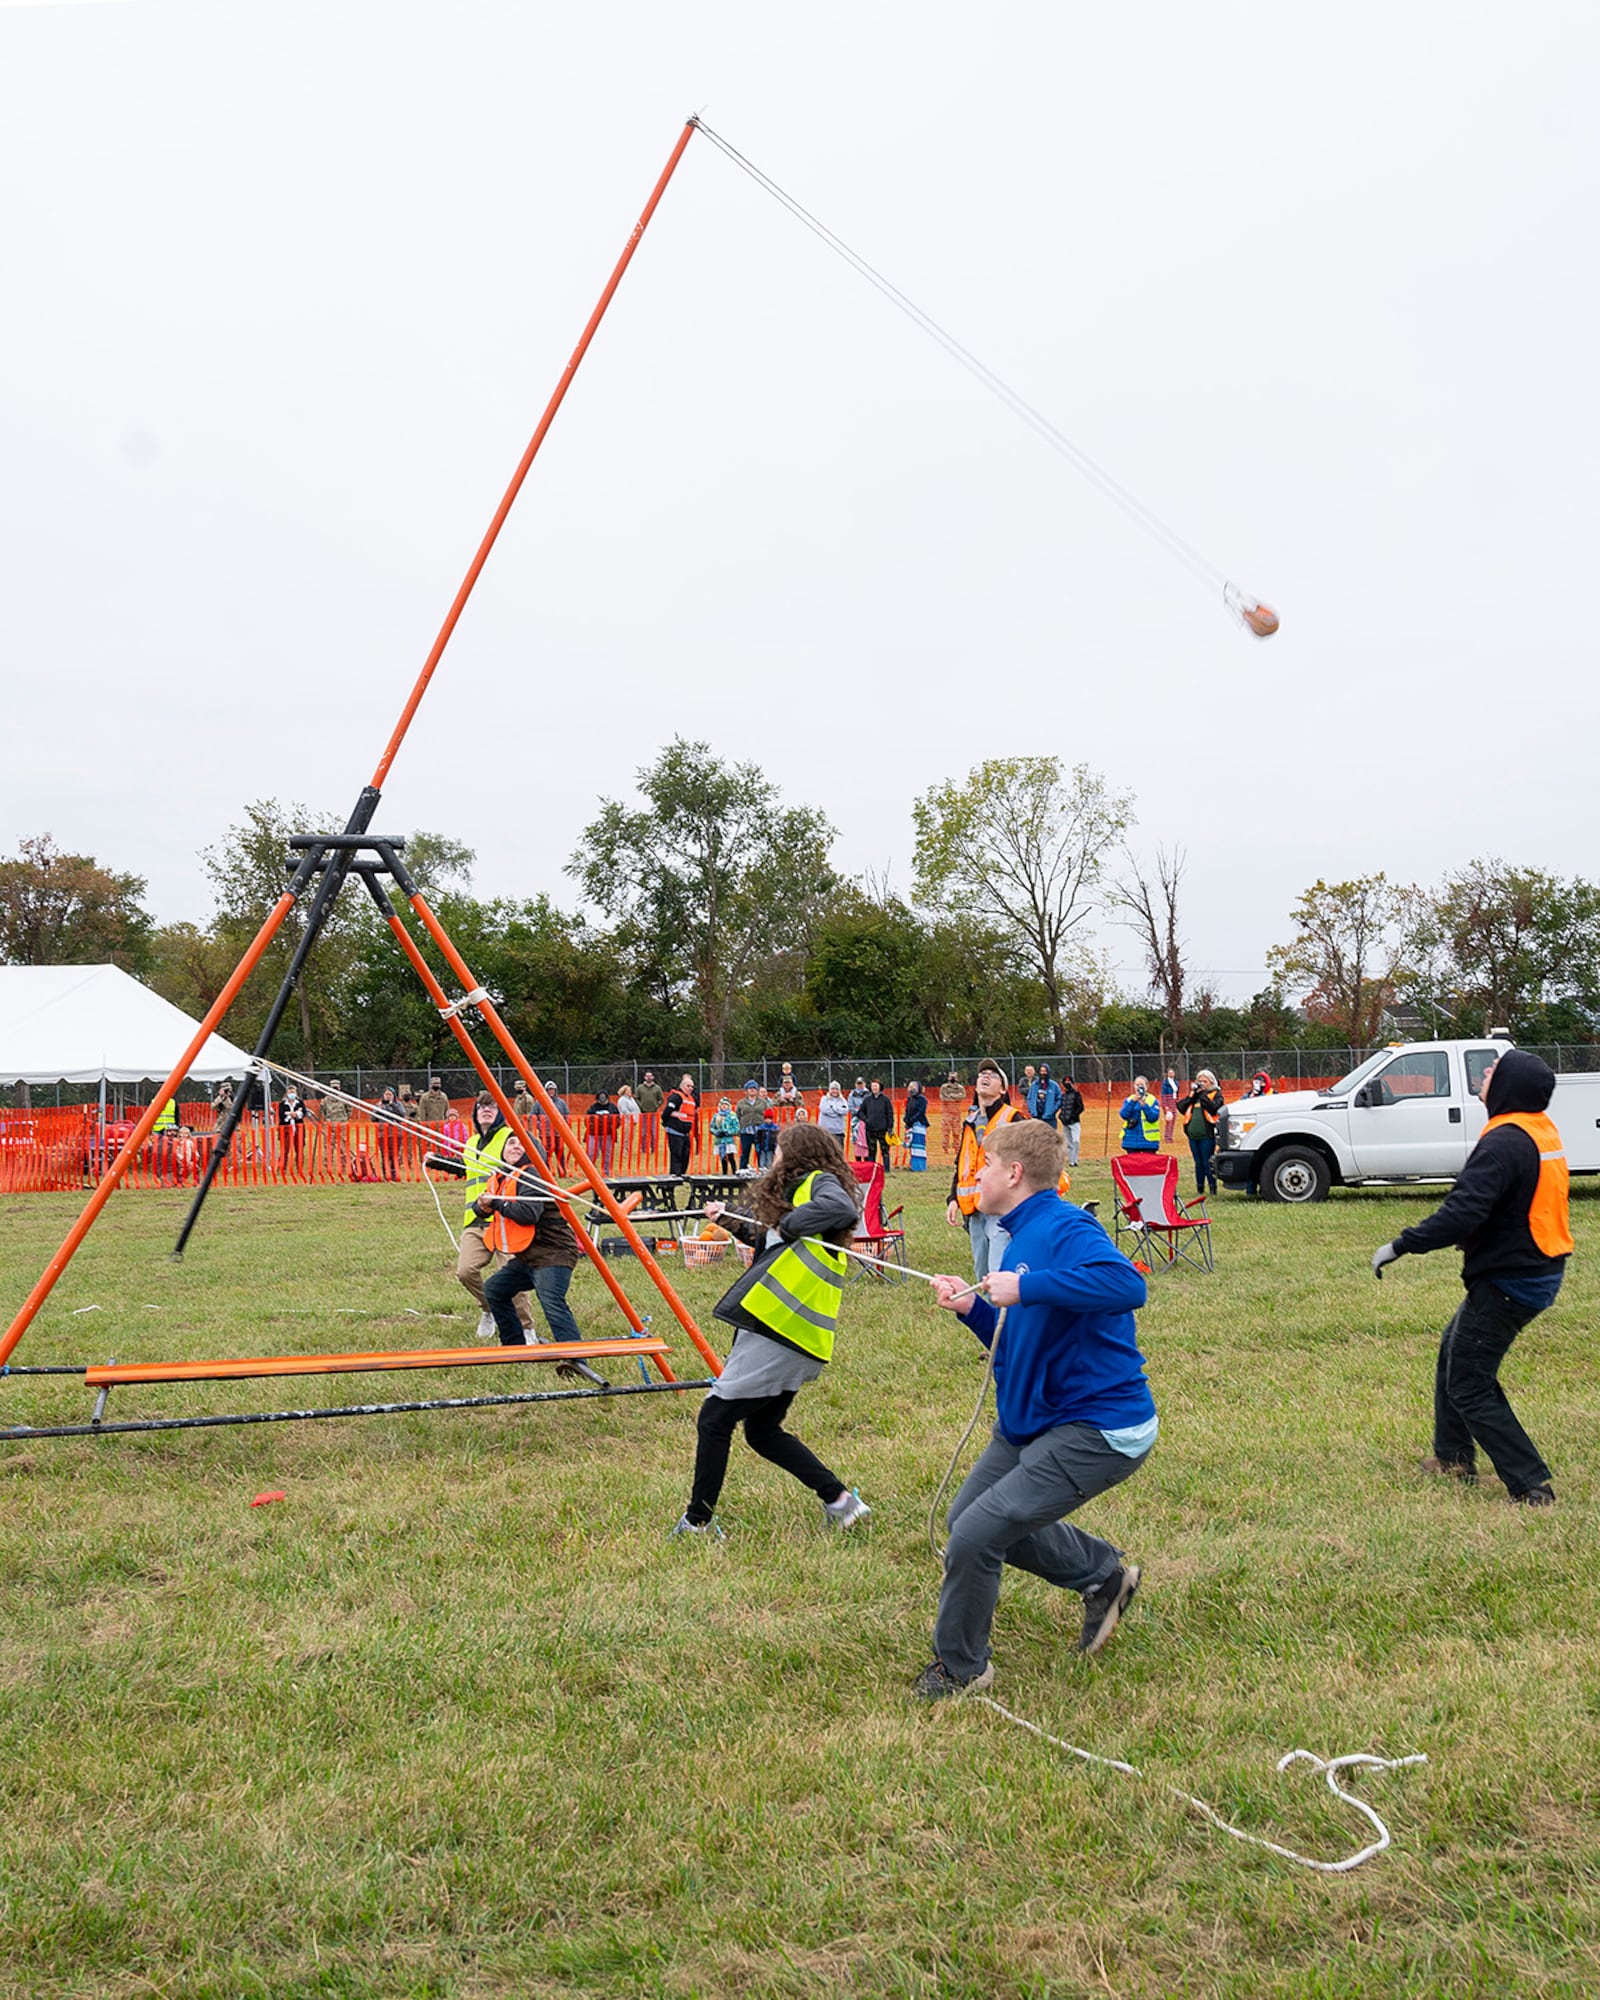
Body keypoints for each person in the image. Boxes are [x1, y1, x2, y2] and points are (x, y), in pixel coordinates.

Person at [917, 1117, 1155, 1698]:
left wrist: (1027, 1287)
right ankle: (1103, 1576)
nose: (977, 1173)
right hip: (1032, 1422)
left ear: (1014, 1173)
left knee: (975, 1535)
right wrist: (972, 1310)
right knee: (965, 1525)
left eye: (986, 1165)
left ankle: (962, 1669)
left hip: (1098, 1427)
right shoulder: (1017, 1232)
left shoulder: (1067, 1225)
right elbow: (1018, 1339)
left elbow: (1128, 1285)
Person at [1372, 1049, 1570, 1507]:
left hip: (1513, 1280)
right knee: (1453, 1352)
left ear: (1507, 1087)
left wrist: (1401, 1245)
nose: (1485, 1073)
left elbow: (1462, 1212)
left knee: (1470, 1382)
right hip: (1533, 1268)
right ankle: (1453, 1457)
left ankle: (1531, 1485)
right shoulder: (1535, 1129)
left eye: (1493, 1071)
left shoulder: (1504, 1141)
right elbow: (1508, 1204)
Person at [671, 1122, 871, 1537]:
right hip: (792, 1332)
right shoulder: (799, 1193)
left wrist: (792, 1223)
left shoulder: (819, 1181)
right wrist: (731, 1223)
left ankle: (697, 1522)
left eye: (779, 1150)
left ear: (797, 1154)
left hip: (779, 1328)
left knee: (714, 1419)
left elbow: (842, 1211)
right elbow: (775, 1243)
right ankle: (840, 1500)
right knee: (762, 1432)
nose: (773, 1158)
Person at [433, 1093, 534, 1338]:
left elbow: (527, 1160)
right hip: (475, 1220)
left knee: (512, 1276)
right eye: (481, 1106)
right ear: (475, 1113)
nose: (486, 1110)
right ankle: (489, 1308)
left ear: (500, 1112)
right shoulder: (471, 1142)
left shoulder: (509, 1137)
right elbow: (466, 1168)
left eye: (491, 1106)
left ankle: (526, 1328)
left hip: (505, 1218)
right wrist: (437, 1161)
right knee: (465, 1271)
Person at [479, 1132, 586, 1354]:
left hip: (553, 1253)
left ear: (532, 1149)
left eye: (521, 1143)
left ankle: (575, 1356)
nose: (515, 1146)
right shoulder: (504, 1177)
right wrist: (484, 1205)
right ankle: (514, 1347)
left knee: (552, 1303)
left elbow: (528, 1214)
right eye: (510, 1142)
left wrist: (496, 1203)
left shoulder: (532, 1176)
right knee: (494, 1290)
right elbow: (480, 1208)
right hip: (529, 1256)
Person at [947, 1061, 1023, 1282]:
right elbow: (962, 1163)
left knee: (997, 1273)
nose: (985, 1076)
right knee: (982, 1275)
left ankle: (1006, 1316)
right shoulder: (969, 1122)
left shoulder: (1013, 1119)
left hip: (1002, 1209)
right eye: (982, 1073)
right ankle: (993, 1317)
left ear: (1002, 1089)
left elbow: (1026, 1162)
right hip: (975, 1211)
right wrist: (953, 1199)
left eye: (992, 1074)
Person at [1176, 1070, 1224, 1195]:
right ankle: (1200, 1188)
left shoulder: (1216, 1094)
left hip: (1207, 1135)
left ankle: (1212, 1188)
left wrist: (1202, 1095)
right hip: (1193, 1135)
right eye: (1199, 1081)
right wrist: (1192, 1096)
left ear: (1211, 1082)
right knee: (1198, 1163)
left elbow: (1214, 1108)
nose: (1201, 1084)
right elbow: (1181, 1107)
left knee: (1207, 1162)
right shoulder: (1195, 1096)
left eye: (1204, 1081)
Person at [858, 1076, 895, 1172]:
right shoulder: (867, 1100)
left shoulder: (886, 1100)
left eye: (876, 1086)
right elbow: (860, 1112)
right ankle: (872, 1170)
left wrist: (890, 1127)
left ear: (880, 1087)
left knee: (885, 1151)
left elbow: (890, 1114)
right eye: (873, 1086)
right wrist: (866, 1119)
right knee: (871, 1151)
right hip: (870, 1130)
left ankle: (886, 1170)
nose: (874, 1088)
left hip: (883, 1130)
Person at [663, 1074, 697, 1178]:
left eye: (692, 1087)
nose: (690, 1088)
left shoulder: (691, 1099)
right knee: (676, 1154)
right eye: (688, 1086)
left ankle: (681, 1174)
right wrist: (666, 1123)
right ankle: (674, 1175)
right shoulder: (676, 1097)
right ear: (682, 1086)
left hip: (685, 1132)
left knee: (685, 1154)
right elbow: (667, 1112)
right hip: (675, 1130)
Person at [1118, 1077, 1161, 1153]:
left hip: (1148, 1141)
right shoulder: (1129, 1100)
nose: (1139, 1087)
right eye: (1137, 1085)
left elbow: (1153, 1117)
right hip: (1131, 1140)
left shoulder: (1152, 1100)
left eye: (1142, 1085)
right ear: (1134, 1086)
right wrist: (1132, 1102)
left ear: (1146, 1087)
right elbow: (1123, 1115)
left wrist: (1144, 1106)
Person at [736, 1081, 769, 1171]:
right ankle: (743, 1170)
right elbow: (738, 1116)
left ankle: (763, 1170)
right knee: (745, 1152)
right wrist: (740, 1128)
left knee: (761, 1151)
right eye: (750, 1088)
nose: (752, 1090)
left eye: (754, 1088)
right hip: (746, 1131)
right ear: (746, 1091)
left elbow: (768, 1114)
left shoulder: (763, 1102)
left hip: (760, 1131)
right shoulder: (741, 1103)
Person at [585, 1088, 619, 1174]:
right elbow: (587, 1120)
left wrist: (612, 1127)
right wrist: (592, 1126)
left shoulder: (612, 1107)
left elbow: (618, 1120)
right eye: (600, 1097)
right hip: (593, 1134)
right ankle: (590, 1171)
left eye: (604, 1096)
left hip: (607, 1134)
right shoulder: (593, 1107)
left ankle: (606, 1171)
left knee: (607, 1154)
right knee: (591, 1153)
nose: (602, 1098)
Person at [1058, 1075, 1085, 1169]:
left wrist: (1072, 1116)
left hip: (1074, 1122)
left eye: (1069, 1083)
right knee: (1069, 1143)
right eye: (1065, 1083)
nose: (1067, 1084)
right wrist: (1062, 1117)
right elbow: (1063, 1108)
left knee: (1076, 1141)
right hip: (1065, 1123)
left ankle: (1075, 1160)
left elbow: (1081, 1107)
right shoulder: (1063, 1096)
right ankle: (1071, 1161)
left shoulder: (1077, 1094)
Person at [1026, 1063, 1064, 1128]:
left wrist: (1053, 1109)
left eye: (1045, 1071)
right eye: (1041, 1071)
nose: (1043, 1073)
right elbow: (1029, 1098)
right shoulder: (1034, 1085)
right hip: (1036, 1117)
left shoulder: (1054, 1085)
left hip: (1049, 1118)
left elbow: (1059, 1099)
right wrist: (1031, 1110)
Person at [939, 1071, 967, 1157]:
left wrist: (950, 1096)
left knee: (957, 1132)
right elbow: (943, 1097)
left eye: (954, 1077)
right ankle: (945, 1149)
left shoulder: (960, 1088)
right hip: (946, 1113)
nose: (952, 1079)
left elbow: (962, 1096)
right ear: (948, 1078)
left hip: (956, 1114)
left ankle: (957, 1149)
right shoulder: (944, 1087)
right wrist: (955, 1097)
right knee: (945, 1132)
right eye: (951, 1077)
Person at [816, 1080, 850, 1145]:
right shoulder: (824, 1099)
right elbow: (824, 1110)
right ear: (829, 1090)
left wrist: (833, 1108)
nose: (834, 1091)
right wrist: (837, 1112)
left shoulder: (842, 1100)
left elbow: (845, 1111)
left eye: (836, 1089)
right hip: (825, 1132)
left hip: (838, 1132)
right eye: (833, 1089)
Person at [711, 1096, 740, 1170]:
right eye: (722, 1104)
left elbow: (736, 1128)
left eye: (726, 1104)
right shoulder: (716, 1116)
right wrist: (716, 1132)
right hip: (720, 1140)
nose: (724, 1106)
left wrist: (728, 1132)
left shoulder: (732, 1115)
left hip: (729, 1140)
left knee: (731, 1157)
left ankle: (734, 1173)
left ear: (729, 1106)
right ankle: (724, 1174)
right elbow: (711, 1127)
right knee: (723, 1158)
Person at [1160, 1068, 1179, 1144]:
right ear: (1167, 1074)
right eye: (1170, 1073)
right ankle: (1167, 1137)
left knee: (1173, 1120)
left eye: (1172, 1072)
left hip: (1174, 1102)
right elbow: (1163, 1095)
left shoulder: (1176, 1083)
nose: (1171, 1074)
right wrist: (1165, 1106)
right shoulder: (1165, 1083)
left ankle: (1170, 1136)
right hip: (1168, 1101)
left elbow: (1177, 1094)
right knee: (1169, 1120)